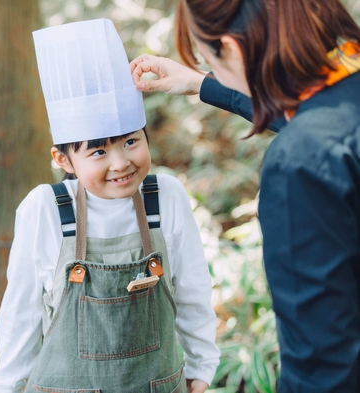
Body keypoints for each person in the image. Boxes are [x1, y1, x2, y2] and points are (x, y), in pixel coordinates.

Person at [130, 0, 360, 391]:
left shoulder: (300, 165)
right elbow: (315, 108)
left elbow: (322, 368)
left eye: (209, 55)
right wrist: (201, 81)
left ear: (233, 50)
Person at [0, 19, 219, 393]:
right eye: (98, 151)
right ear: (64, 160)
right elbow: (21, 314)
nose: (120, 163)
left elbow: (193, 289)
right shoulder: (45, 209)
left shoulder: (166, 198)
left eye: (131, 142)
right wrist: (8, 386)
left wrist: (201, 369)